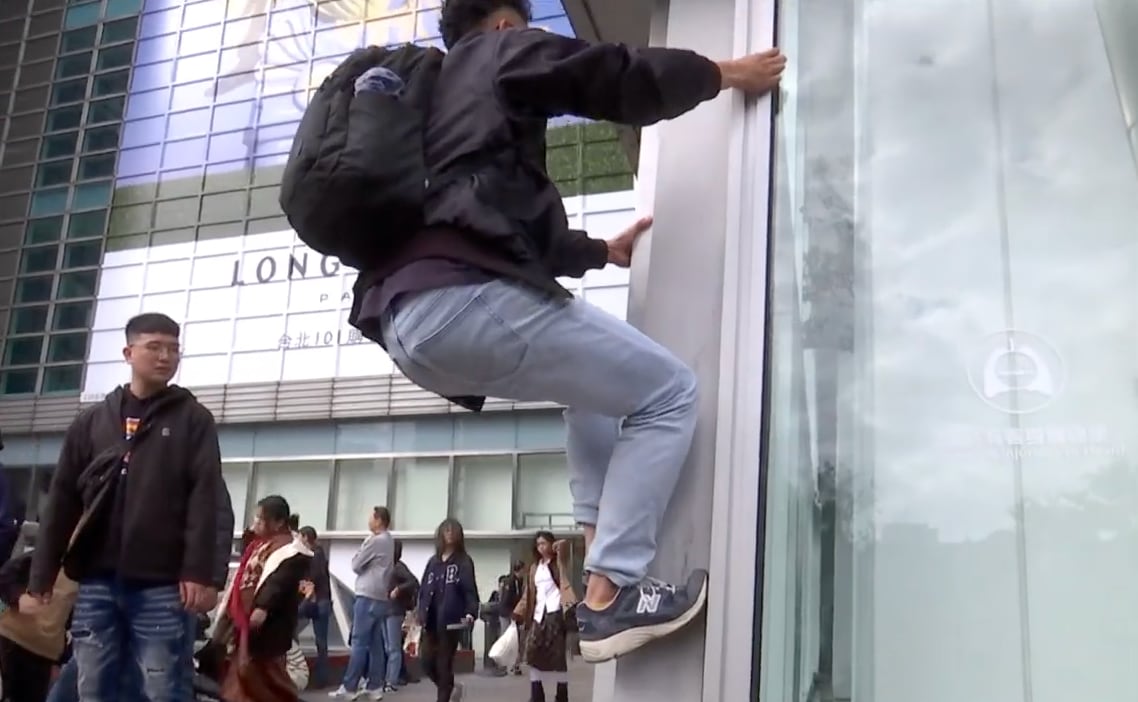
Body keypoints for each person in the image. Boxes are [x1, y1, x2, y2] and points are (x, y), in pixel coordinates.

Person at [347, 0, 786, 662]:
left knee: (594, 388)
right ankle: (611, 595)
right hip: (463, 297)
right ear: (502, 24)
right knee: (668, 393)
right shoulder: (495, 53)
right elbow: (610, 74)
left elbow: (500, 220)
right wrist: (724, 72)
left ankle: (593, 556)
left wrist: (597, 251)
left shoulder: (431, 101)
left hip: (408, 325)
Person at [26, 312, 223, 702]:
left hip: (162, 585)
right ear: (128, 352)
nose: (166, 356)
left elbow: (207, 498)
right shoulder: (93, 422)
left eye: (173, 349)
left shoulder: (193, 420)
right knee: (93, 684)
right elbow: (62, 499)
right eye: (155, 347)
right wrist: (41, 576)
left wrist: (202, 573)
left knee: (161, 686)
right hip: (97, 581)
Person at [215, 495, 312, 702]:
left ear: (278, 523)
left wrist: (262, 607)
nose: (255, 523)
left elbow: (277, 581)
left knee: (266, 683)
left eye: (260, 519)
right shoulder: (259, 545)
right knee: (244, 680)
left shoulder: (291, 551)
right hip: (244, 625)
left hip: (268, 630)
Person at [331, 506, 395, 700]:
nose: (368, 520)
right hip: (381, 596)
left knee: (359, 641)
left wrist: (364, 545)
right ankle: (375, 686)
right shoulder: (389, 540)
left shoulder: (375, 540)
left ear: (378, 520)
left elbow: (355, 564)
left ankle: (349, 686)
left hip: (367, 595)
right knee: (375, 643)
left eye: (370, 517)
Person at [0, 546, 77, 702]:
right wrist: (18, 598)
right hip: (11, 637)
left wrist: (62, 658)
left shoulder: (89, 578)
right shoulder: (44, 556)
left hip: (45, 652)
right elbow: (5, 577)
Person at [416, 519, 479, 702]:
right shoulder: (433, 562)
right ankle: (450, 687)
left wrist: (470, 613)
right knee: (426, 662)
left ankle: (444, 695)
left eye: (453, 530)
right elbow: (423, 590)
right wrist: (419, 612)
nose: (450, 533)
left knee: (444, 664)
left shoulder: (464, 562)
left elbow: (470, 591)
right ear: (441, 534)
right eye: (446, 530)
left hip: (451, 622)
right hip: (430, 620)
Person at [512, 532, 577, 702]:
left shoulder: (559, 563)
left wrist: (555, 547)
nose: (541, 547)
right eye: (538, 544)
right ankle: (536, 695)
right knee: (532, 654)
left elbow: (564, 545)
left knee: (558, 658)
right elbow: (529, 593)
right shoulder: (534, 567)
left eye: (545, 543)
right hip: (538, 614)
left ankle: (562, 695)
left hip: (555, 613)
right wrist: (519, 611)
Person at [296, 526, 332, 689]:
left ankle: (321, 677)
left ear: (305, 537)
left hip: (317, 601)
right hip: (320, 601)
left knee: (320, 641)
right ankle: (321, 676)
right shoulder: (319, 553)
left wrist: (304, 583)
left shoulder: (316, 554)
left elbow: (314, 576)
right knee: (321, 641)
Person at [386, 539, 419, 689]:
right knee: (391, 646)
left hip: (394, 610)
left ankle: (391, 680)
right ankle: (394, 677)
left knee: (393, 647)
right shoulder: (390, 566)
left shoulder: (397, 567)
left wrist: (398, 589)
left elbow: (413, 581)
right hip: (387, 610)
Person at [497, 560, 525, 675]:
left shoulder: (519, 581)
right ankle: (504, 664)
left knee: (515, 640)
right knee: (508, 639)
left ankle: (514, 665)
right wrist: (512, 614)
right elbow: (507, 600)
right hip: (507, 614)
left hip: (513, 614)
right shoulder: (510, 581)